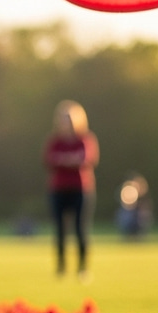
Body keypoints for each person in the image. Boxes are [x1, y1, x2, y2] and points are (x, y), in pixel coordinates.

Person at [43, 99, 100, 278]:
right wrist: (70, 160)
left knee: (80, 228)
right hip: (58, 189)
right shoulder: (54, 141)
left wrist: (65, 160)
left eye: (68, 118)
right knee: (59, 229)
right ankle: (61, 266)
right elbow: (49, 160)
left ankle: (82, 267)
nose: (65, 122)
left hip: (81, 189)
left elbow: (86, 159)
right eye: (63, 118)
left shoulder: (86, 139)